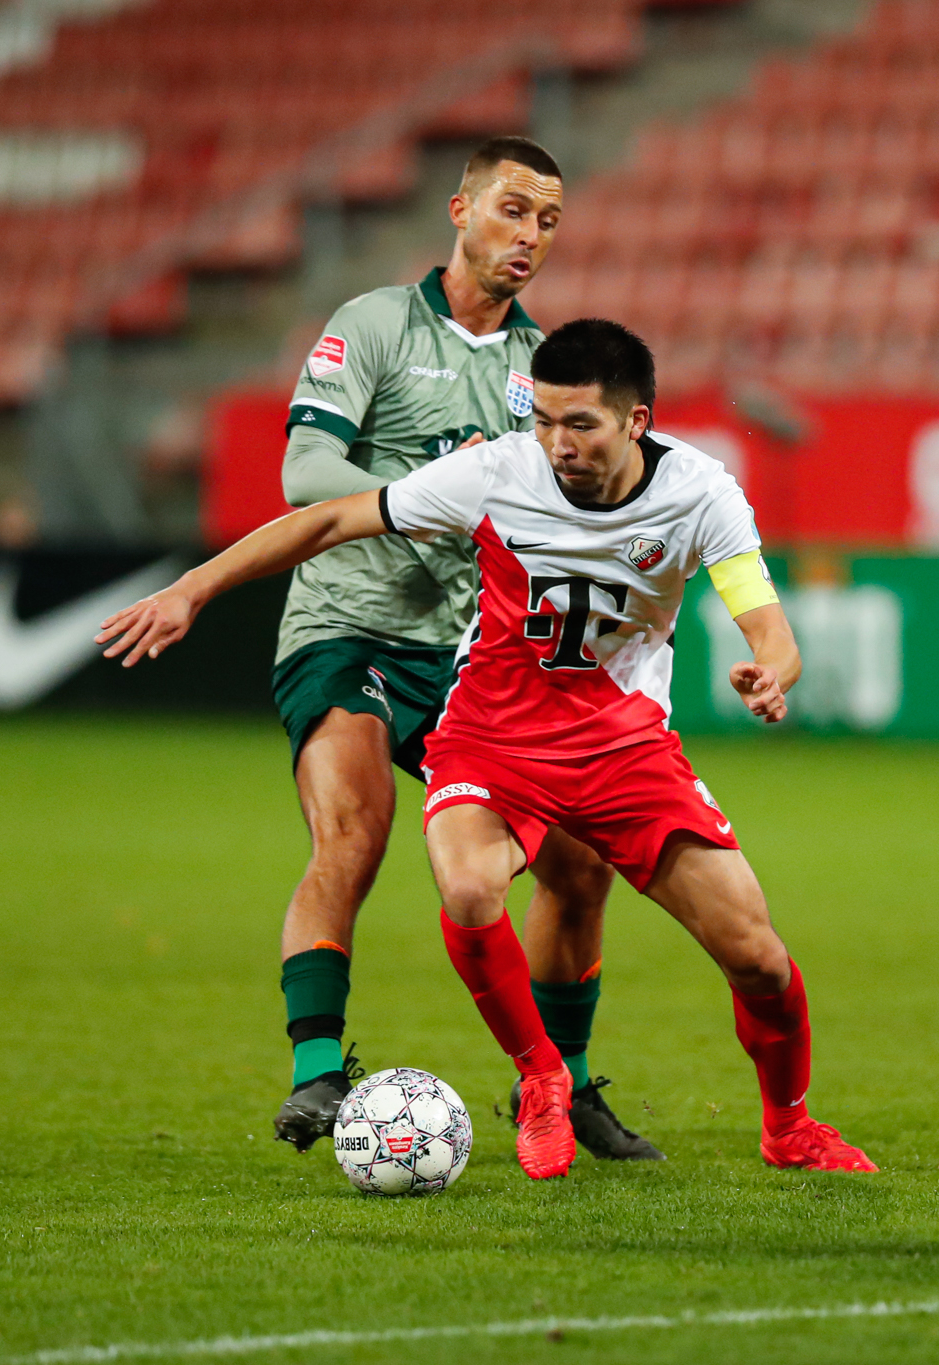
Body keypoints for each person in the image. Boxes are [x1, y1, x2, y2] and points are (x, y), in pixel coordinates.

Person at [99, 319, 876, 1180]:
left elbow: (769, 624)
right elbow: (331, 521)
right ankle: (541, 1078)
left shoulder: (701, 492)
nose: (556, 443)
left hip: (624, 752)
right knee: (469, 887)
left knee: (760, 957)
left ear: (637, 422)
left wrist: (771, 672)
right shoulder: (497, 472)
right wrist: (192, 587)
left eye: (579, 424)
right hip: (491, 738)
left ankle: (790, 1128)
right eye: (543, 419)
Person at [269, 135, 656, 1161]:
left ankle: (561, 1087)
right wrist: (419, 505)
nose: (527, 236)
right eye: (511, 210)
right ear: (459, 209)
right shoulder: (376, 326)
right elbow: (304, 470)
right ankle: (315, 1077)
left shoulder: (546, 375)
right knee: (354, 827)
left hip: (470, 656)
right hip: (348, 622)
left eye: (547, 222)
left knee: (580, 861)